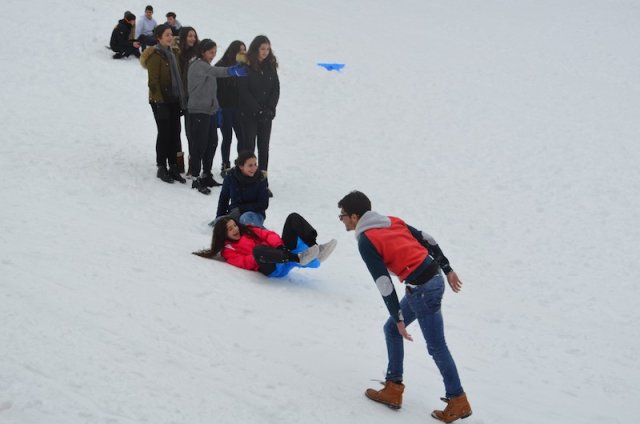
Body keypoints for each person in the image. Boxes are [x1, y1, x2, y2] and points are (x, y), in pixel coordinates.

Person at [337, 191, 472, 423]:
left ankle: (458, 399)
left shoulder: (366, 240)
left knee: (436, 346)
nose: (342, 220)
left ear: (355, 216)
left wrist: (399, 318)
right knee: (391, 329)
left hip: (422, 289)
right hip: (431, 280)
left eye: (343, 216)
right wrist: (447, 269)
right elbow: (427, 239)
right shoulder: (391, 220)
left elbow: (383, 282)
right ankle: (393, 387)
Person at [187, 39, 247, 194]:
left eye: (214, 52)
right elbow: (216, 72)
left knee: (212, 142)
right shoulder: (199, 65)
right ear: (202, 52)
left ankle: (206, 174)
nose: (213, 55)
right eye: (210, 52)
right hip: (198, 110)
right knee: (199, 145)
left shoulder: (206, 66)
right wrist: (232, 71)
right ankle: (195, 177)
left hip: (210, 111)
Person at [195, 213, 337, 278]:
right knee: (258, 250)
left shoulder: (247, 228)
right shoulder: (228, 250)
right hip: (270, 266)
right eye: (230, 229)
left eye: (234, 226)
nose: (235, 229)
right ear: (223, 235)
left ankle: (316, 249)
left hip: (281, 253)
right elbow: (244, 262)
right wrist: (270, 252)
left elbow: (268, 234)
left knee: (292, 218)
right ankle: (298, 258)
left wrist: (279, 247)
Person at [140, 24, 187, 184]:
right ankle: (161, 166)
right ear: (159, 38)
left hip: (174, 99)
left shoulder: (173, 53)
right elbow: (153, 82)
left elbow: (178, 78)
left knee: (175, 133)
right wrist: (160, 103)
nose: (170, 37)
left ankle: (173, 165)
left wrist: (181, 100)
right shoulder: (155, 55)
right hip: (160, 101)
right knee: (164, 133)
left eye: (171, 35)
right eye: (167, 35)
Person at [237, 35, 279, 197]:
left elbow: (276, 88)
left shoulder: (270, 66)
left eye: (268, 49)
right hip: (249, 114)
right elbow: (243, 91)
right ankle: (246, 180)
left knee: (264, 147)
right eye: (262, 49)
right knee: (249, 146)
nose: (265, 52)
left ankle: (262, 181)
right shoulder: (246, 66)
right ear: (255, 49)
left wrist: (270, 109)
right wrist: (257, 109)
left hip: (266, 115)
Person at [215, 40, 246, 177]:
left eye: (244, 51)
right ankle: (225, 165)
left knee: (242, 138)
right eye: (240, 51)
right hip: (224, 108)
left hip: (238, 109)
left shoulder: (244, 67)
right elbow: (216, 90)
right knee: (227, 137)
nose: (243, 54)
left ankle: (240, 164)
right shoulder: (221, 66)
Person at [214, 151, 269, 227]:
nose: (254, 168)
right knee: (219, 223)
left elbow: (263, 204)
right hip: (235, 213)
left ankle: (259, 233)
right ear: (241, 166)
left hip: (255, 214)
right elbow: (224, 198)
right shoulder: (231, 176)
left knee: (245, 219)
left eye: (255, 164)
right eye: (250, 165)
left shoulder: (261, 178)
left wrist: (241, 209)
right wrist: (219, 218)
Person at [176, 26, 199, 175]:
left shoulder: (198, 54)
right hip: (181, 98)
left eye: (194, 36)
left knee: (193, 133)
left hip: (195, 99)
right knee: (182, 131)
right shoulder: (177, 54)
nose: (192, 39)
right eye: (189, 36)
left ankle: (193, 163)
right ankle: (178, 163)